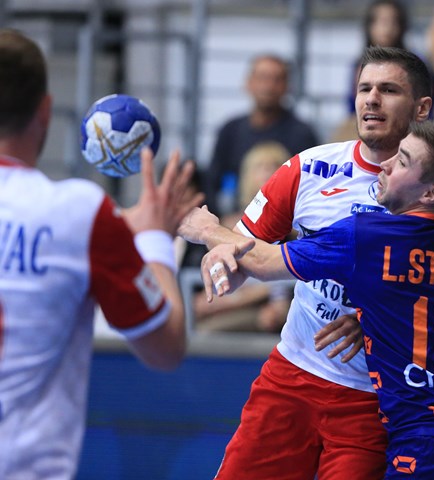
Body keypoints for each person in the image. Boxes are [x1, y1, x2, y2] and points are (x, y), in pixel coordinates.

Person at [188, 120, 434, 478]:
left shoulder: (370, 236)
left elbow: (259, 261)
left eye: (401, 160)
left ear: (430, 193)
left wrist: (207, 229)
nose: (384, 165)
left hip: (420, 438)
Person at [180, 46, 434, 480]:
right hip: (291, 377)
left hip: (375, 397)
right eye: (364, 89)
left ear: (421, 108)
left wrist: (379, 319)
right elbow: (245, 252)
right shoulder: (310, 167)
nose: (372, 99)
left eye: (389, 90)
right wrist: (221, 258)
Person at [0, 29, 202, 479]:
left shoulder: (85, 218)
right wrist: (154, 238)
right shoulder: (80, 212)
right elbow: (165, 348)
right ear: (45, 111)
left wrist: (121, 227)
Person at [192, 142, 294, 333]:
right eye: (261, 167)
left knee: (208, 330)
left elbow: (280, 287)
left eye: (274, 167)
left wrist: (227, 302)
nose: (267, 174)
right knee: (197, 320)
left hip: (267, 306)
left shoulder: (293, 228)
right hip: (234, 298)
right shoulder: (230, 223)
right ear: (247, 175)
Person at [205, 54, 319, 215]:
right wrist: (222, 219)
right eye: (262, 78)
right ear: (248, 83)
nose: (269, 86)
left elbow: (312, 188)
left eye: (277, 79)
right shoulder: (230, 131)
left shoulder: (302, 135)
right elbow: (211, 183)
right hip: (235, 219)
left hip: (285, 221)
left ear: (287, 86)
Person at [331, 0, 412, 143]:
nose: (387, 28)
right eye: (381, 21)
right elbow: (351, 107)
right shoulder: (358, 65)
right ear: (369, 26)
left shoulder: (414, 65)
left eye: (393, 21)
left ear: (402, 26)